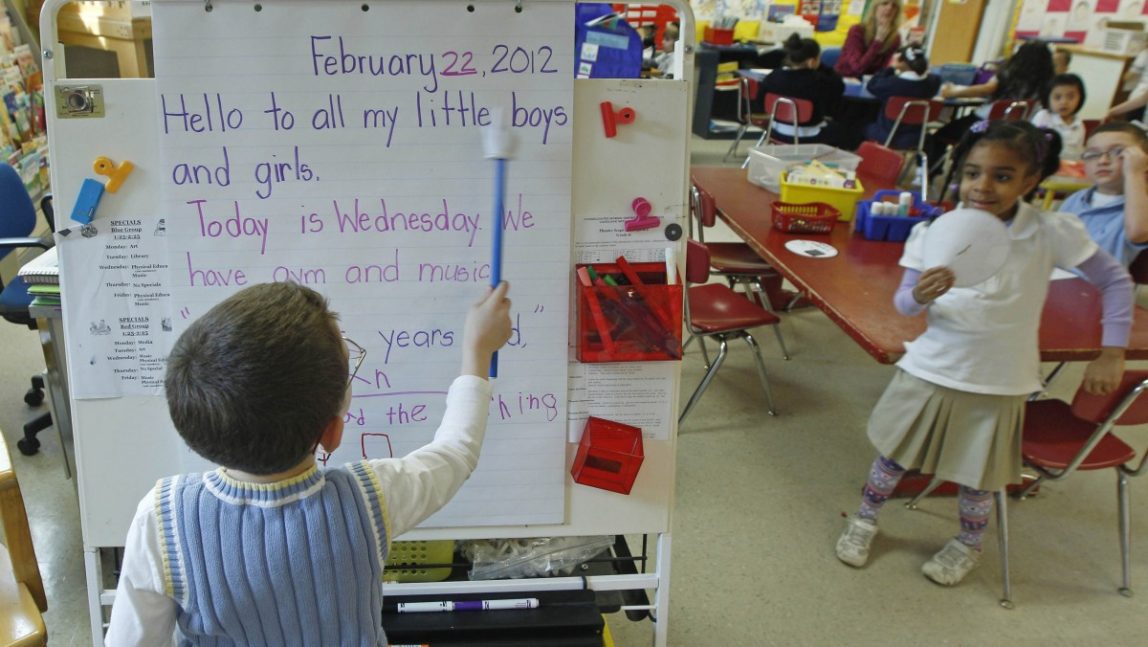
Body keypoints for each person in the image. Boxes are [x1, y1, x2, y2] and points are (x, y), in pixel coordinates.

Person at [104, 281, 513, 645]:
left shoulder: (163, 518)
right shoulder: (369, 500)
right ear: (332, 433)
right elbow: (456, 452)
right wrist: (476, 353)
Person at [835, 120, 1133, 586]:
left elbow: (1116, 281)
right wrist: (921, 296)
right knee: (893, 456)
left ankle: (967, 543)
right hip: (933, 368)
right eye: (973, 173)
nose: (982, 186)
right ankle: (865, 519)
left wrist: (1111, 351)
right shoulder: (935, 231)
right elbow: (904, 302)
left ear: (1030, 181)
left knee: (979, 474)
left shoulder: (1050, 232)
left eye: (1002, 175)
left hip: (1001, 379)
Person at [929, 41, 1055, 167]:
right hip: (1016, 130)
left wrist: (953, 92)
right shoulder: (1048, 83)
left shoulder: (1007, 74)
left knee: (939, 135)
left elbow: (986, 89)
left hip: (985, 124)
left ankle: (930, 173)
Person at [1060, 122, 1148, 267]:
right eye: (1093, 154)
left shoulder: (1140, 207)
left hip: (1098, 288)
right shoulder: (1075, 199)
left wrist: (1134, 173)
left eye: (1119, 152)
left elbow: (1138, 233)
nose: (1103, 161)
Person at [760, 34, 850, 148]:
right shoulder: (820, 81)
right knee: (846, 129)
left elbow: (761, 101)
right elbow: (838, 90)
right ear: (812, 61)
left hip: (775, 132)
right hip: (809, 136)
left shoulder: (774, 76)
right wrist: (820, 66)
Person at [863, 43, 942, 149]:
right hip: (916, 136)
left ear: (902, 62)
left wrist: (890, 68)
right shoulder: (933, 82)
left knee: (861, 123)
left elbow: (871, 85)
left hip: (887, 134)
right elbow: (932, 77)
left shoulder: (892, 84)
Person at [835, 0, 902, 79]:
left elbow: (884, 70)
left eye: (894, 6)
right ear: (875, 8)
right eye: (885, 3)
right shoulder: (857, 30)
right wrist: (878, 41)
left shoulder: (895, 38)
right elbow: (858, 67)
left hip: (872, 83)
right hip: (847, 78)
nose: (889, 8)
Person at [1031, 73, 1087, 159]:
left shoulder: (1079, 124)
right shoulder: (1043, 116)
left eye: (1070, 97)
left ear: (1080, 98)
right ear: (1048, 98)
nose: (1064, 102)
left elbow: (1078, 153)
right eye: (1057, 97)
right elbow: (1034, 145)